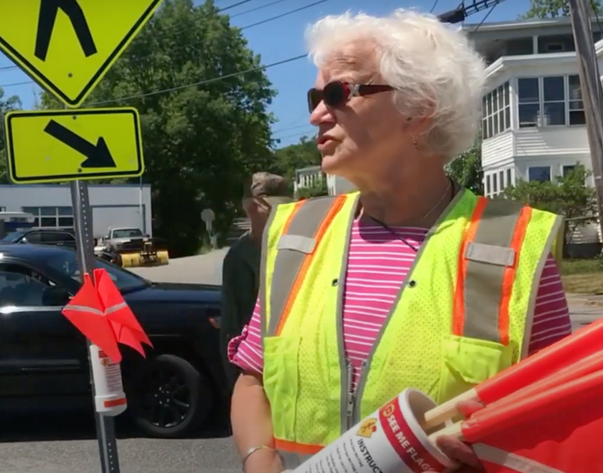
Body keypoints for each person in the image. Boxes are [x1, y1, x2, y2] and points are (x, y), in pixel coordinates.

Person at [229, 10, 574, 473]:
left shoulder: (511, 246)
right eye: (316, 95)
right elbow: (252, 380)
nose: (315, 114)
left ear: (419, 108)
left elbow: (559, 424)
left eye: (338, 93)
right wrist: (259, 459)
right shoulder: (296, 235)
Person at [220, 173, 294, 389]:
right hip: (261, 371)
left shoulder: (294, 243)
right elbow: (232, 327)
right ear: (250, 207)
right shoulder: (240, 257)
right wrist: (237, 383)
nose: (282, 213)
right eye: (272, 207)